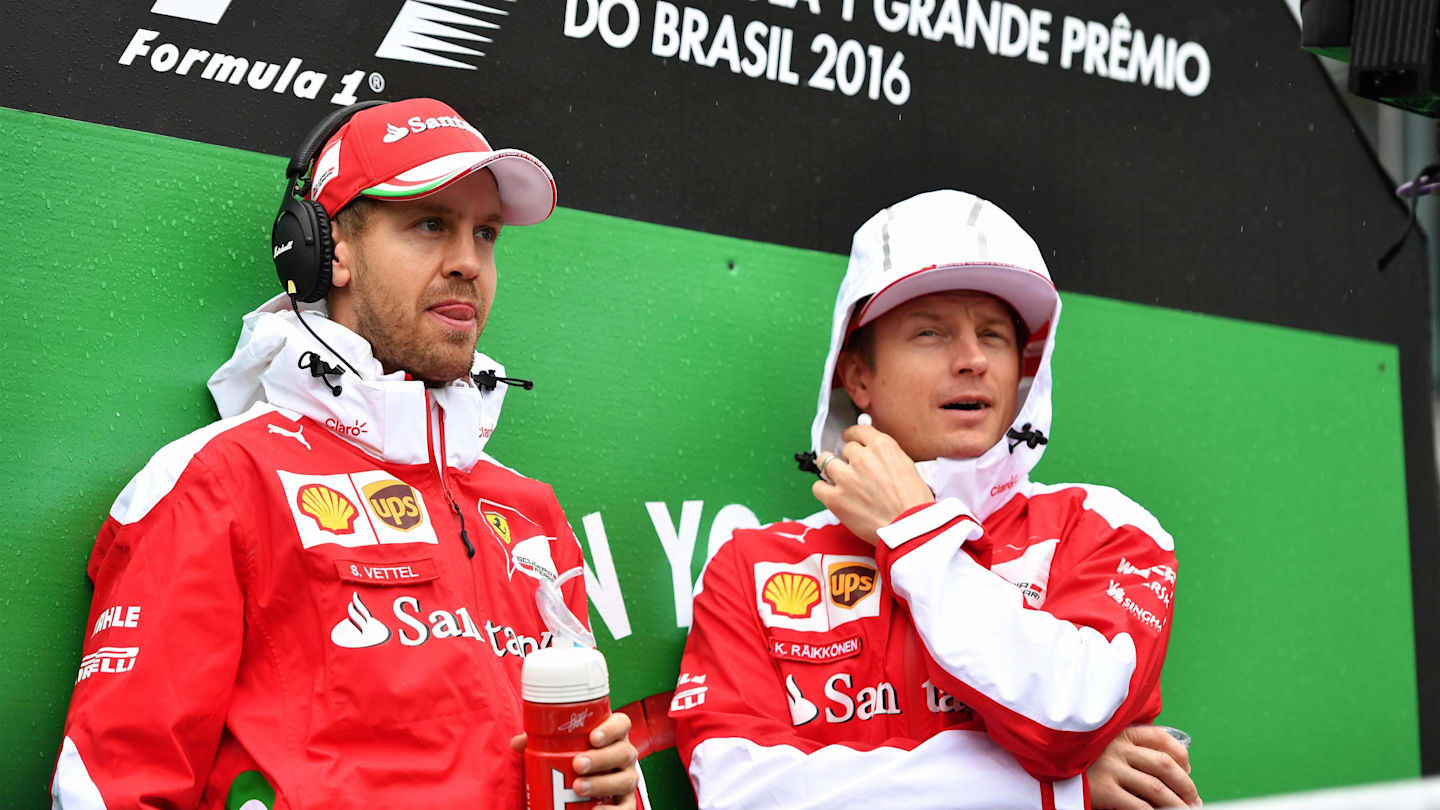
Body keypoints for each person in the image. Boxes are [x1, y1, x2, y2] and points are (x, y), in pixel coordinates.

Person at [50, 98, 641, 810]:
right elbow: (115, 789)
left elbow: (567, 769)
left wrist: (610, 793)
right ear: (327, 252)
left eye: (485, 235)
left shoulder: (529, 509)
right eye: (430, 224)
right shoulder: (218, 482)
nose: (467, 263)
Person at [670, 190, 1196, 810]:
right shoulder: (751, 566)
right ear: (858, 375)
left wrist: (913, 528)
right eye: (930, 333)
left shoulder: (1106, 529)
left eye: (995, 336)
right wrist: (1046, 791)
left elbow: (1067, 723)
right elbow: (745, 797)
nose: (973, 360)